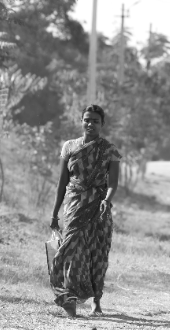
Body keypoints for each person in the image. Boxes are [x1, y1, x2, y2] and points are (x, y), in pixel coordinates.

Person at [49, 105, 121, 318]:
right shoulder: (69, 146)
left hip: (99, 207)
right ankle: (69, 297)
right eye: (87, 120)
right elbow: (62, 183)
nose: (90, 124)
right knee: (71, 250)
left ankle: (96, 299)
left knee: (97, 252)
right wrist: (54, 213)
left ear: (102, 124)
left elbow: (113, 183)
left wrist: (107, 201)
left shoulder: (109, 150)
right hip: (73, 205)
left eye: (95, 121)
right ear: (81, 121)